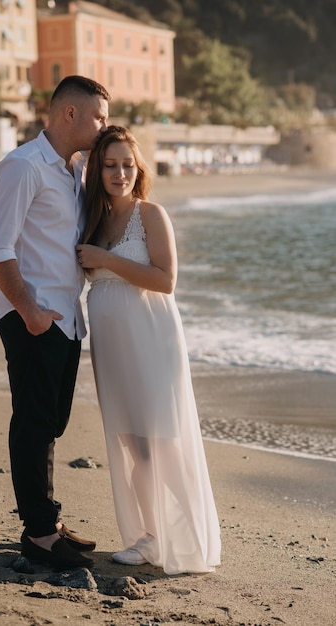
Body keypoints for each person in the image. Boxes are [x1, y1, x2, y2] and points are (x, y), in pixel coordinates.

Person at [76, 126, 221, 575]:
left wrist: (106, 260)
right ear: (96, 169)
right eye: (110, 164)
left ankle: (194, 536)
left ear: (138, 169)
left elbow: (166, 280)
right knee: (132, 445)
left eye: (127, 165)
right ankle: (151, 537)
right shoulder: (92, 222)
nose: (120, 173)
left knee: (162, 442)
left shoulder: (151, 214)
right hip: (112, 348)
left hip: (152, 340)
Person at [0, 75, 110, 571]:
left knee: (51, 422)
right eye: (98, 116)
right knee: (34, 422)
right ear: (69, 114)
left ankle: (47, 522)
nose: (103, 124)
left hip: (66, 319)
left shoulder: (71, 169)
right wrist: (30, 312)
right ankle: (38, 534)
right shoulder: (22, 166)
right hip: (31, 316)